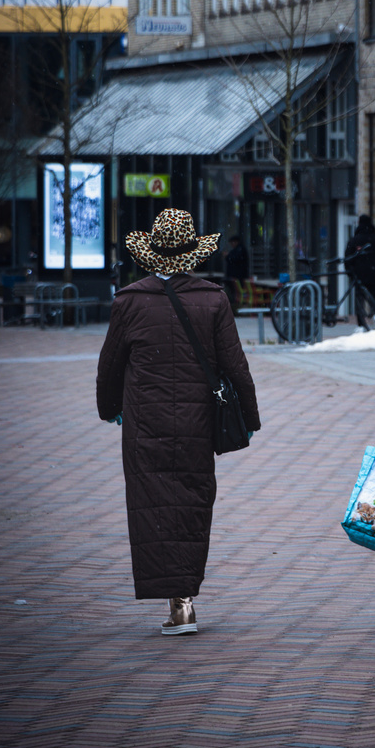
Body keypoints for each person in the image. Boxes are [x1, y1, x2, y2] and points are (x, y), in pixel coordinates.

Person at [96, 208, 260, 636]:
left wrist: (108, 406)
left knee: (152, 508)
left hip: (144, 425)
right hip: (196, 423)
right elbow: (234, 364)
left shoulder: (129, 300)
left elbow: (110, 365)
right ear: (193, 254)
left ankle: (177, 605)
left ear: (151, 254)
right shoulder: (213, 298)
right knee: (191, 504)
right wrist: (250, 415)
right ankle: (184, 599)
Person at [344, 214, 375, 303]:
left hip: (359, 273)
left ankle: (361, 315)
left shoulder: (354, 240)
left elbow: (348, 258)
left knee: (359, 298)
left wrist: (351, 272)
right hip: (374, 272)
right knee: (374, 296)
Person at [224, 234, 250, 310]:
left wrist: (228, 256)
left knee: (237, 290)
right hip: (236, 275)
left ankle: (237, 302)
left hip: (238, 275)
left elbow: (234, 259)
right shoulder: (238, 250)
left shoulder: (240, 250)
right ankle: (236, 302)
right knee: (236, 290)